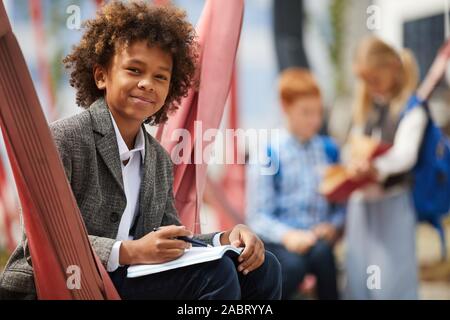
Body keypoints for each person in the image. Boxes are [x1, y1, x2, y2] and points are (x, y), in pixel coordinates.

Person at [0, 1, 281, 300]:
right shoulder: (65, 138)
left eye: (160, 77)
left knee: (263, 268)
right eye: (134, 70)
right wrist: (128, 251)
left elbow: (175, 237)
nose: (147, 84)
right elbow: (40, 242)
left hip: (131, 281)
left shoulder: (157, 157)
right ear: (101, 76)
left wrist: (225, 238)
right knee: (214, 274)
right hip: (72, 281)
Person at [246, 68, 345, 300]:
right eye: (306, 112)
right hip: (280, 242)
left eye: (318, 112)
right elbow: (257, 216)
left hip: (316, 240)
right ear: (285, 107)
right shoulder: (268, 153)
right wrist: (289, 236)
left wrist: (333, 225)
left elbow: (341, 203)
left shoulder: (328, 150)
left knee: (323, 255)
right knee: (292, 268)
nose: (315, 120)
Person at [344, 36, 425, 299]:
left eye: (374, 80)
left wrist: (375, 167)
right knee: (358, 279)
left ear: (392, 67)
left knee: (393, 282)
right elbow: (351, 146)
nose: (370, 87)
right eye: (365, 81)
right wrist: (353, 164)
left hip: (392, 203)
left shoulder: (412, 109)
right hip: (361, 205)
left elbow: (405, 155)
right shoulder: (366, 110)